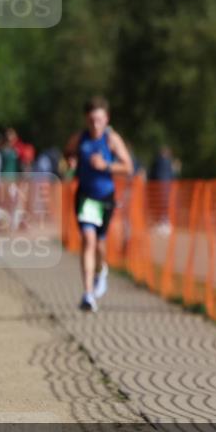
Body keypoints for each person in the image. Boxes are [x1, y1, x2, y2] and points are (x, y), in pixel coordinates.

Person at [64, 97, 134, 312]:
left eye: (100, 120)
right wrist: (71, 161)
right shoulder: (80, 138)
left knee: (100, 244)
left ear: (107, 119)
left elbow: (128, 167)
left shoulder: (111, 140)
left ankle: (101, 271)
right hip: (85, 197)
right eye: (92, 119)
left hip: (105, 197)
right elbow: (67, 153)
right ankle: (88, 294)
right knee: (88, 239)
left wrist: (106, 165)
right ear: (86, 119)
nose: (96, 124)